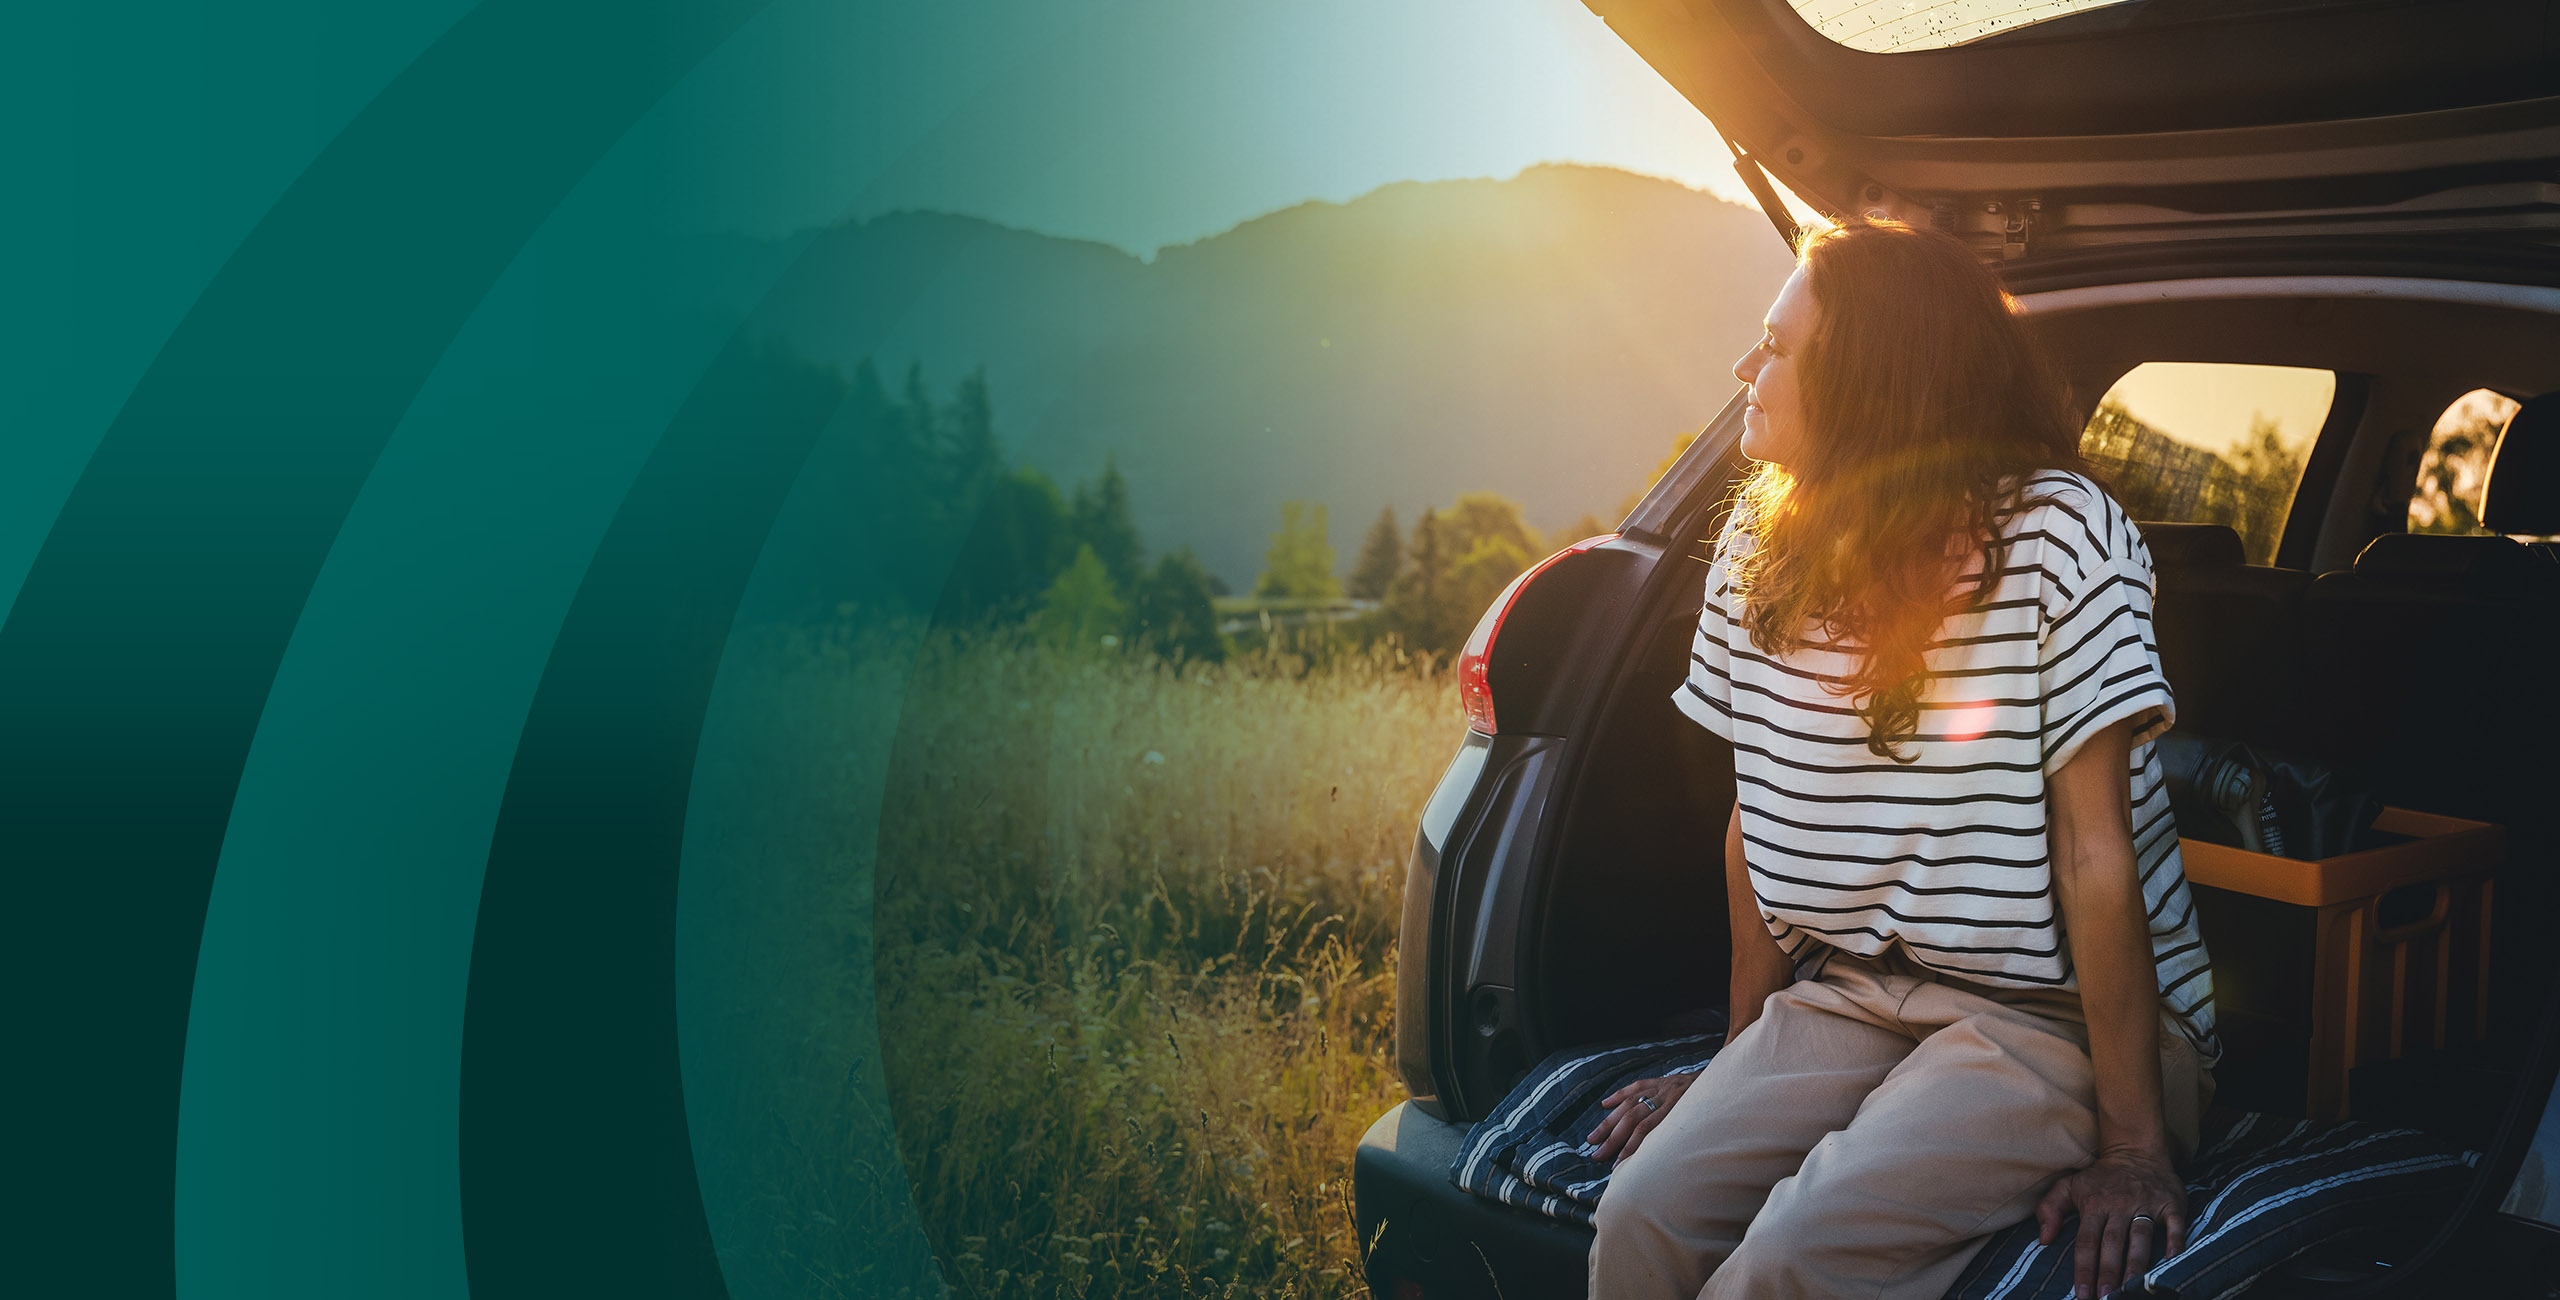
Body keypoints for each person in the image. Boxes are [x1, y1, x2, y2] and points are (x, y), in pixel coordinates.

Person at [1585, 218, 2217, 1300]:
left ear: (1872, 379)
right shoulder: (1751, 545)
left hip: (2049, 1022)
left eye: (1778, 345)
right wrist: (1729, 1060)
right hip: (1853, 993)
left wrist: (2132, 1146)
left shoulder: (2062, 536)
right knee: (1640, 1215)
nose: (1746, 366)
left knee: (1789, 1261)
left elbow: (2094, 858)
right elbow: (1757, 819)